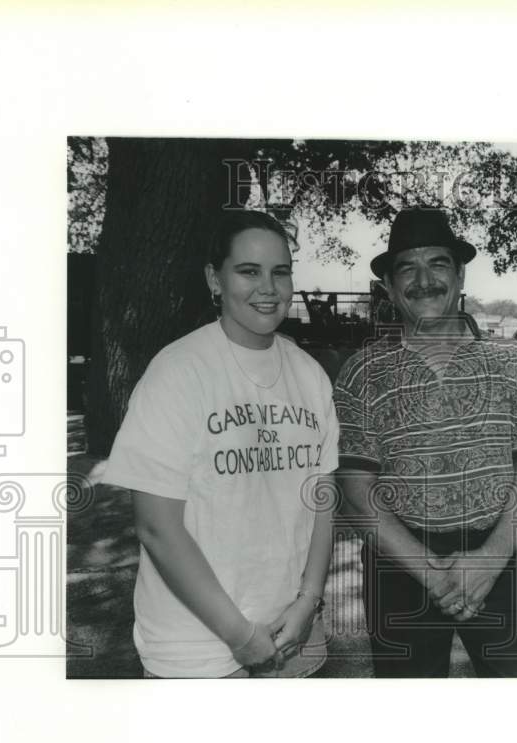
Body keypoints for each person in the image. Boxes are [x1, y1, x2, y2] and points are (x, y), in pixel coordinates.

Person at [102, 210, 339, 678]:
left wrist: (309, 600)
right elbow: (156, 527)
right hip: (200, 651)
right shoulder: (177, 372)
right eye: (248, 271)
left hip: (297, 635)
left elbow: (322, 501)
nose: (267, 288)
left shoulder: (309, 375)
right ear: (215, 279)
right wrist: (239, 634)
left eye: (280, 271)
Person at [333, 208, 517, 677]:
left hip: (495, 556)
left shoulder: (513, 360)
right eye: (406, 269)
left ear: (459, 275)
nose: (424, 279)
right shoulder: (361, 372)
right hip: (398, 565)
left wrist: (490, 562)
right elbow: (356, 488)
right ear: (390, 288)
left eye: (437, 263)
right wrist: (431, 573)